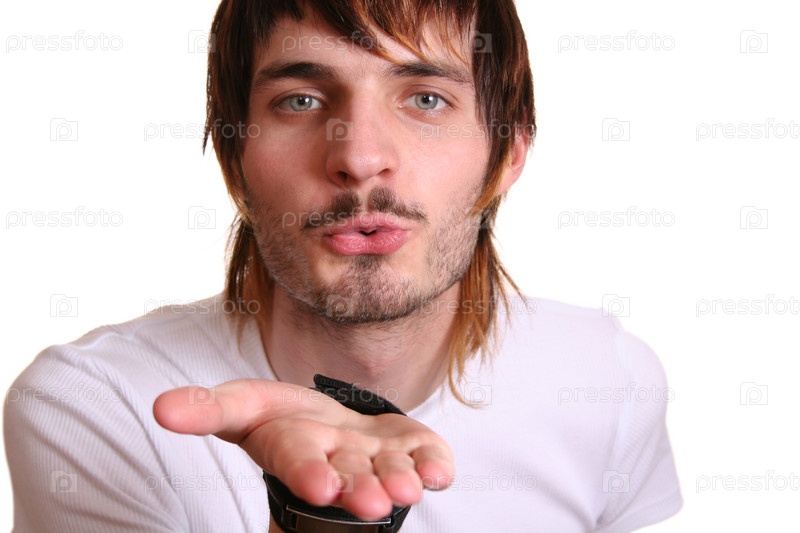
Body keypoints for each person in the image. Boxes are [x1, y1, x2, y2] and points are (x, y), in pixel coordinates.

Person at [4, 0, 682, 531]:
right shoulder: (97, 404)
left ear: (508, 154)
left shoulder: (608, 380)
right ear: (234, 163)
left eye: (426, 98)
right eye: (300, 100)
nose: (358, 157)